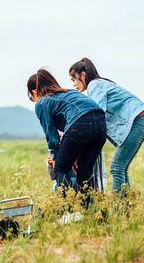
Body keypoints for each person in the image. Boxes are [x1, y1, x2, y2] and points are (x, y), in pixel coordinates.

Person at [69, 58, 144, 195]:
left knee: (116, 167)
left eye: (74, 79)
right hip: (141, 119)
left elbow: (97, 114)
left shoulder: (94, 85)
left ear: (83, 75)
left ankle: (119, 210)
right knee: (121, 168)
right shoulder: (99, 84)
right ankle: (124, 208)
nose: (73, 84)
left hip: (138, 120)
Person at [27, 69, 107, 200]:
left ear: (35, 92)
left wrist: (54, 157)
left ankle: (69, 210)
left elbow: (51, 136)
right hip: (101, 125)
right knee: (84, 174)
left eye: (32, 98)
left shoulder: (42, 102)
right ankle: (88, 213)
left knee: (60, 168)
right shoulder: (70, 93)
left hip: (80, 124)